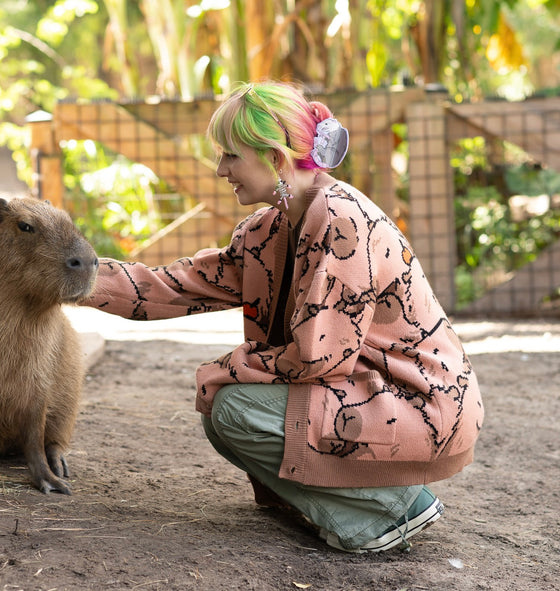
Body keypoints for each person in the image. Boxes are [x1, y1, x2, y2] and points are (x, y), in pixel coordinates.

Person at [83, 81, 484, 553]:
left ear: (274, 158)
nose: (220, 170)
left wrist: (229, 368)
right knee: (222, 410)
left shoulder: (342, 220)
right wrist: (74, 279)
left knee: (234, 407)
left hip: (417, 403)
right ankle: (352, 507)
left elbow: (320, 357)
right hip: (372, 394)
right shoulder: (268, 229)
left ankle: (394, 507)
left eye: (231, 156)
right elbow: (174, 288)